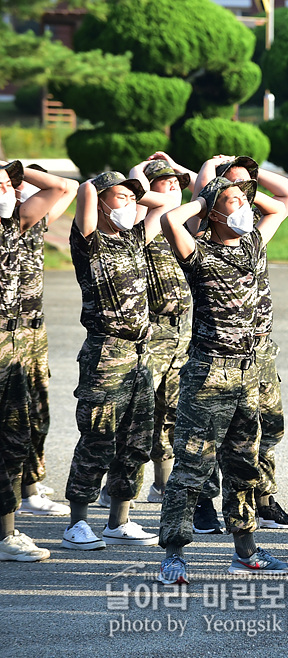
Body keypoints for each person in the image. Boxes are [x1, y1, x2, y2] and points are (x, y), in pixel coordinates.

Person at [157, 173, 288, 583]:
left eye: (245, 200)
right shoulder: (198, 253)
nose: (245, 207)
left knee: (244, 466)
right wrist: (206, 201)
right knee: (191, 467)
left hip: (248, 371)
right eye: (234, 203)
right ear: (214, 213)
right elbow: (169, 222)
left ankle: (246, 551)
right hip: (208, 373)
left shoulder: (252, 244)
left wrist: (240, 189)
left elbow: (281, 205)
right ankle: (174, 555)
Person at [60, 170, 172, 551]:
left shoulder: (135, 239)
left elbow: (166, 203)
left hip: (141, 352)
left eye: (132, 198)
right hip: (106, 352)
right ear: (103, 204)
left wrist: (133, 193)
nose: (130, 204)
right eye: (120, 198)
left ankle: (118, 520)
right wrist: (101, 185)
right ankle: (77, 523)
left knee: (137, 440)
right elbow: (84, 192)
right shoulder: (90, 243)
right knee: (98, 437)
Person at [192, 155, 288, 531]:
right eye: (233, 189)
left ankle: (263, 499)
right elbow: (199, 203)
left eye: (248, 189)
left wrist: (246, 183)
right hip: (220, 352)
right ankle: (203, 503)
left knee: (265, 428)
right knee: (208, 434)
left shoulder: (252, 234)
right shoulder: (205, 237)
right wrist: (213, 172)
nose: (242, 195)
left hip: (260, 349)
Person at [0, 161, 72, 561]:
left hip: (16, 337)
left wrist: (18, 173)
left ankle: (8, 530)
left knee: (15, 433)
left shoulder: (15, 225)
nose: (6, 190)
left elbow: (63, 186)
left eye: (7, 185)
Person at [14, 163, 77, 517]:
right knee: (14, 414)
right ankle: (25, 489)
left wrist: (17, 175)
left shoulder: (33, 225)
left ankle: (29, 483)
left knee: (37, 410)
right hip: (9, 332)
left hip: (32, 331)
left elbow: (64, 187)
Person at [139, 155, 197, 507]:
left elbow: (202, 188)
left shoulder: (182, 228)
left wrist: (174, 165)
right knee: (141, 414)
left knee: (172, 411)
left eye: (176, 180)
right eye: (165, 180)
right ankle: (114, 488)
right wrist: (142, 179)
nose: (174, 183)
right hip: (153, 332)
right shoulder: (140, 228)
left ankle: (161, 485)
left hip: (183, 333)